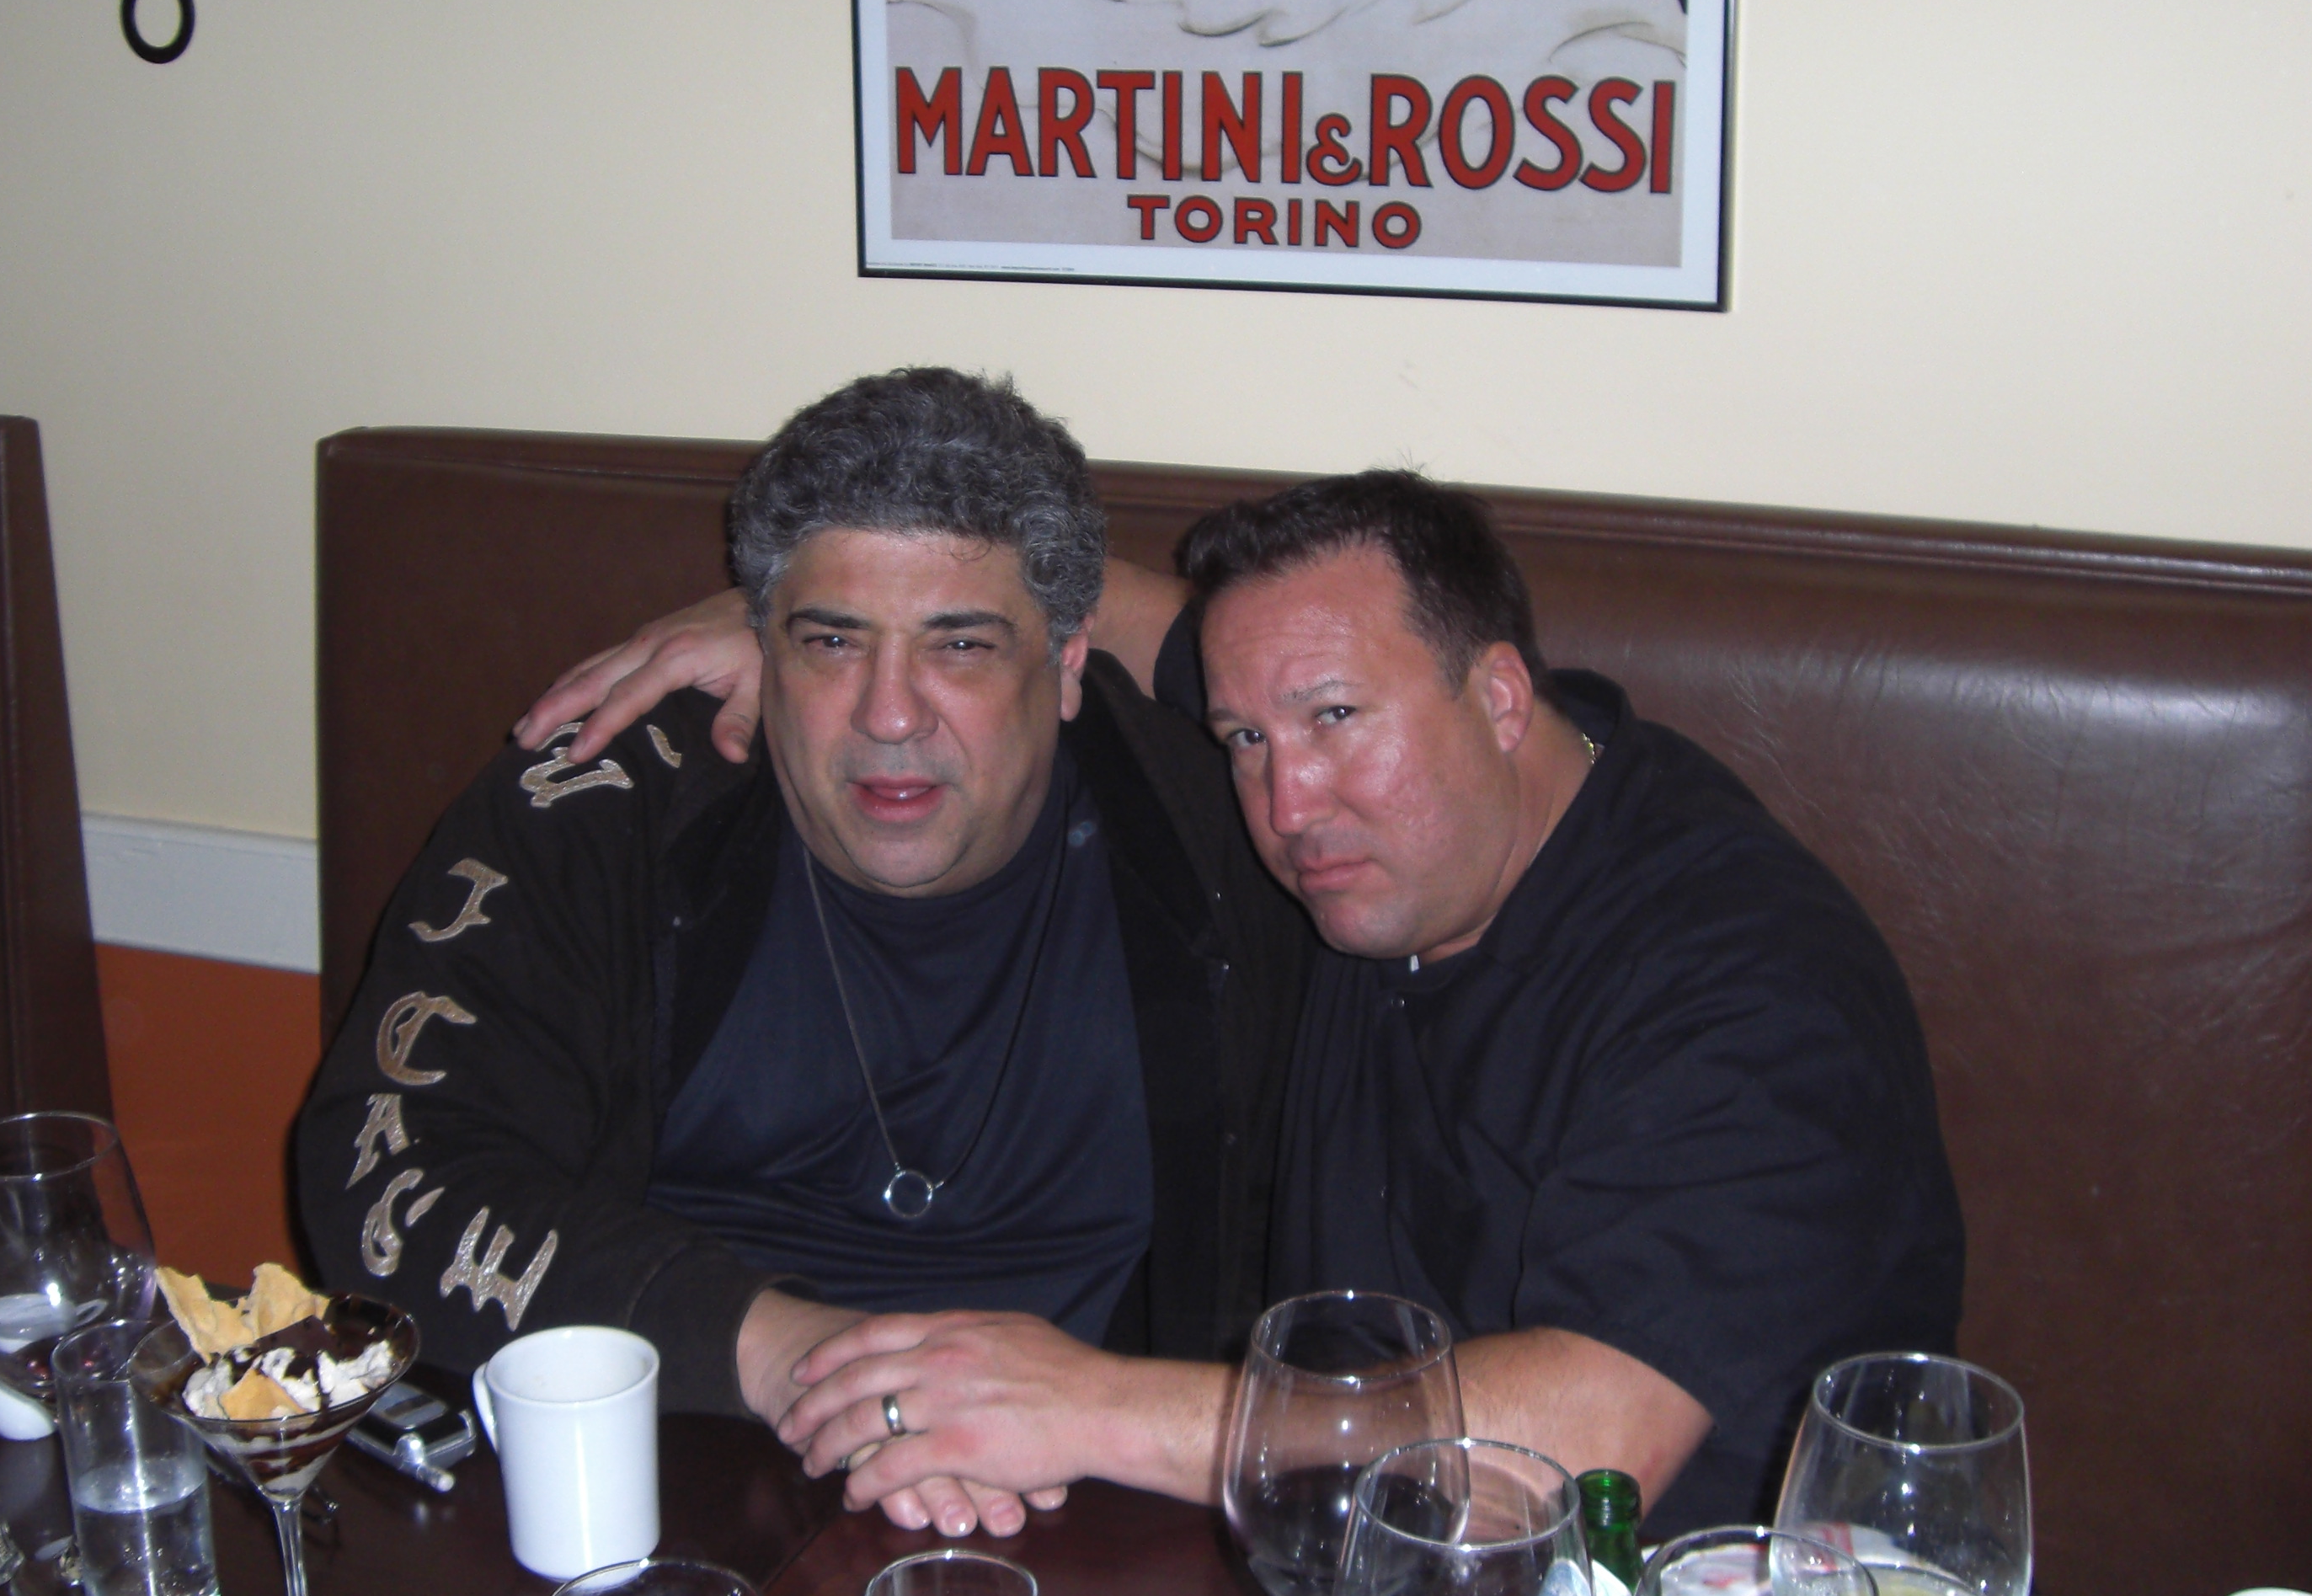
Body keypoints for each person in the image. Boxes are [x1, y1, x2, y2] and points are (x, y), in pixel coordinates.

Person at [543, 470, 1963, 1535]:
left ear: (1500, 697)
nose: (1288, 806)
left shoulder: (1744, 979)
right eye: (1243, 738)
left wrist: (1086, 1404)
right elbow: (1112, 610)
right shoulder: (1414, 817)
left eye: (1338, 719)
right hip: (1371, 1595)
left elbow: (1587, 1444)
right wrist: (840, 639)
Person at [295, 368, 1309, 1538]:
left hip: (1096, 1515)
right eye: (832, 640)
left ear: (1071, 659)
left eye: (961, 646)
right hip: (669, 1481)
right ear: (760, 640)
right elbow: (386, 1175)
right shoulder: (599, 812)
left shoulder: (1236, 826)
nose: (890, 713)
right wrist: (790, 1356)